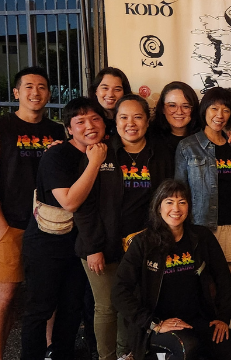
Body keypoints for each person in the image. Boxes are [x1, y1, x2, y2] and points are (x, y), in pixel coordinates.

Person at [74, 94, 173, 360]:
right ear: (114, 122)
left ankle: (125, 354)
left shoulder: (159, 154)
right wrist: (94, 247)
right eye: (123, 117)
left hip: (141, 247)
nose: (131, 123)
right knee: (106, 307)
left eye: (138, 117)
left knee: (131, 305)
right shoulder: (100, 153)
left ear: (147, 121)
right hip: (100, 245)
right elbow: (84, 206)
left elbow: (164, 201)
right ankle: (106, 357)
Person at [112, 179, 231, 360]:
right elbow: (119, 292)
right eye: (169, 202)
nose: (176, 209)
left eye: (182, 202)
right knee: (188, 349)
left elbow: (223, 278)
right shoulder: (143, 243)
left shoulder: (201, 237)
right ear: (158, 207)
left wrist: (223, 317)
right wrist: (154, 323)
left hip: (197, 320)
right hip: (157, 325)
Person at [21, 96, 108, 360]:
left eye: (95, 118)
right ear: (69, 129)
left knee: (71, 308)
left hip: (79, 244)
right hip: (47, 244)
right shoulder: (57, 155)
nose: (89, 125)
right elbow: (69, 201)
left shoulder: (106, 150)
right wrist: (94, 162)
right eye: (80, 121)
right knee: (40, 309)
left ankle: (61, 355)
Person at [0, 66, 67, 360]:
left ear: (49, 94)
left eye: (41, 87)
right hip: (12, 223)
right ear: (16, 93)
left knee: (48, 291)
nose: (35, 93)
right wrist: (0, 224)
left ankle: (50, 347)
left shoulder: (57, 129)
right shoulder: (1, 127)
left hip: (48, 224)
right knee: (7, 294)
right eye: (28, 87)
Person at [175, 87, 231, 283]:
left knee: (227, 290)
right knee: (203, 288)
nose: (220, 115)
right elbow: (180, 191)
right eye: (214, 109)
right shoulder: (188, 146)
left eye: (226, 110)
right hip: (202, 226)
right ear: (204, 110)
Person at [152, 81, 231, 176]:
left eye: (186, 106)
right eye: (172, 105)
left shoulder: (204, 137)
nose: (179, 112)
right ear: (162, 108)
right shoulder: (151, 138)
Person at [88, 67, 133, 137]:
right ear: (95, 91)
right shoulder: (87, 119)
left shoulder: (131, 121)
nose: (110, 94)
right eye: (105, 88)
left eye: (117, 89)